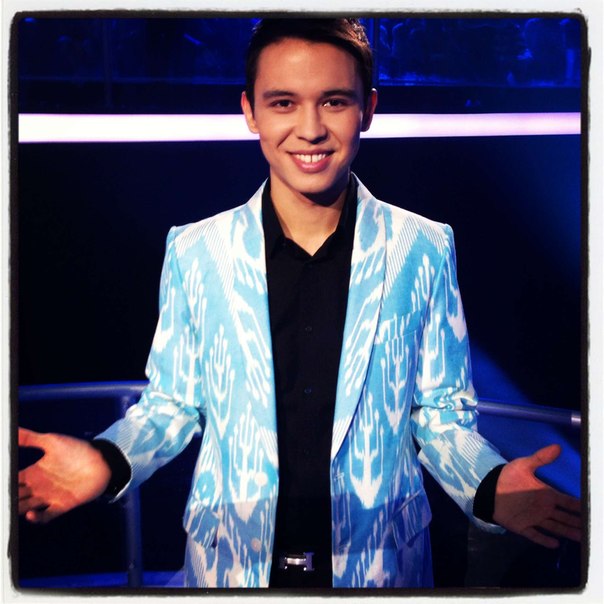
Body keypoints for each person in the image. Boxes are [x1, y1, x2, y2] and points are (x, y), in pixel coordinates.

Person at [18, 18, 581, 589]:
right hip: (231, 566)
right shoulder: (196, 251)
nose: (310, 129)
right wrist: (106, 459)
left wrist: (488, 483)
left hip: (379, 566)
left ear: (368, 109)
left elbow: (441, 415)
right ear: (250, 111)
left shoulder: (423, 247)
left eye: (334, 101)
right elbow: (172, 405)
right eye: (283, 102)